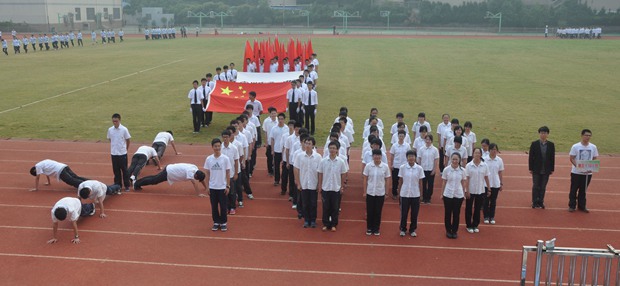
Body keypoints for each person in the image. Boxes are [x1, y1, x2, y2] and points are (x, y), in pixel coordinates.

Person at [204, 138, 232, 232]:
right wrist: (207, 187)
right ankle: (216, 222)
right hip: (213, 187)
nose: (217, 148)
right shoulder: (209, 159)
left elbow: (228, 173)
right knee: (214, 206)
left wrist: (228, 186)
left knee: (223, 206)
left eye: (219, 146)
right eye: (215, 146)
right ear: (212, 147)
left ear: (221, 147)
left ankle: (223, 222)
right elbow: (207, 173)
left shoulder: (225, 159)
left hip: (222, 187)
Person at [294, 136, 322, 228]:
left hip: (314, 184)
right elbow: (296, 169)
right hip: (304, 183)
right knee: (305, 203)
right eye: (306, 143)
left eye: (309, 143)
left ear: (313, 145)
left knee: (313, 203)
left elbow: (320, 172)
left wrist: (319, 184)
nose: (307, 145)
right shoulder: (299, 156)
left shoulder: (318, 157)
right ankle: (306, 220)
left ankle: (313, 220)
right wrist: (298, 183)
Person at [568, 129, 598, 213]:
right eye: (586, 135)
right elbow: (572, 158)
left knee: (583, 190)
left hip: (587, 173)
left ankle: (582, 206)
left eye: (589, 135)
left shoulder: (593, 147)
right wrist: (578, 167)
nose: (588, 137)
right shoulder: (575, 146)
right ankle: (572, 205)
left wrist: (590, 166)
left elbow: (595, 158)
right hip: (576, 172)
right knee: (574, 189)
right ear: (582, 136)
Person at [363, 149, 390, 236]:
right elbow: (365, 179)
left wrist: (386, 192)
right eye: (375, 155)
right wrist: (364, 191)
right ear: (373, 156)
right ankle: (369, 228)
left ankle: (376, 228)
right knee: (370, 211)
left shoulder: (385, 167)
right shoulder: (368, 166)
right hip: (370, 192)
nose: (377, 157)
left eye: (378, 155)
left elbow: (387, 179)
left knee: (378, 211)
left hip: (380, 192)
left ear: (381, 156)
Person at [398, 150, 425, 237]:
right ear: (407, 158)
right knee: (404, 213)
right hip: (404, 193)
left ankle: (412, 229)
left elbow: (421, 182)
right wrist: (399, 193)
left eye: (413, 156)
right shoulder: (402, 167)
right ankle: (403, 229)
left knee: (414, 213)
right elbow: (400, 181)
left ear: (415, 157)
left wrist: (421, 195)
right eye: (409, 156)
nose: (411, 158)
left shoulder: (419, 168)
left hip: (415, 194)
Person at [442, 152, 467, 239]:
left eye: (456, 159)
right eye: (453, 159)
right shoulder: (446, 170)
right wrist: (442, 194)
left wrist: (464, 194)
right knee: (448, 213)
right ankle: (448, 230)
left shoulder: (463, 171)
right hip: (448, 194)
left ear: (459, 160)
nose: (455, 161)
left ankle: (454, 230)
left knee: (456, 214)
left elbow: (463, 183)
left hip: (458, 195)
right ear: (450, 160)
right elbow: (444, 182)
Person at [528, 126, 555, 209]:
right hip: (536, 169)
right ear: (539, 134)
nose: (543, 134)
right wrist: (531, 168)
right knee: (536, 186)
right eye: (542, 133)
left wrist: (552, 169)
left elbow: (552, 157)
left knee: (543, 186)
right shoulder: (534, 144)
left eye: (545, 133)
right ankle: (534, 201)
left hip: (546, 169)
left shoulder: (551, 145)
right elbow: (531, 157)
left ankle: (541, 202)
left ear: (547, 134)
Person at [465, 148, 490, 234]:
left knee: (477, 208)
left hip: (480, 190)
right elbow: (467, 179)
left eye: (478, 153)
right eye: (475, 153)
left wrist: (489, 188)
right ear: (473, 154)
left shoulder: (484, 165)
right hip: (471, 190)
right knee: (468, 208)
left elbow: (486, 177)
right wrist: (466, 190)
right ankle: (468, 225)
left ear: (480, 155)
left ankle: (475, 224)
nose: (477, 154)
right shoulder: (468, 165)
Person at [107, 113, 131, 192]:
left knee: (124, 170)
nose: (114, 123)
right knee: (116, 170)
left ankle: (127, 185)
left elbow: (128, 140)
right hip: (114, 153)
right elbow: (110, 139)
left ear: (119, 120)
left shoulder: (124, 129)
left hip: (122, 153)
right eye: (113, 121)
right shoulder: (110, 130)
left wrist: (125, 149)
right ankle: (118, 185)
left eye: (116, 121)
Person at [483, 143, 504, 224]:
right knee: (486, 201)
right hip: (486, 184)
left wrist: (501, 183)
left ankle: (492, 216)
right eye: (492, 149)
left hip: (495, 183)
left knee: (493, 201)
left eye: (495, 149)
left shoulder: (499, 160)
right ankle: (486, 216)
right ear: (489, 150)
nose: (493, 151)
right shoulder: (484, 159)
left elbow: (500, 172)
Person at [220, 130, 240, 215]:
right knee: (223, 192)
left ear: (230, 137)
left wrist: (236, 173)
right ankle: (226, 207)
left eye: (227, 137)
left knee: (232, 191)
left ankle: (232, 207)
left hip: (231, 174)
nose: (225, 139)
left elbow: (236, 161)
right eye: (224, 137)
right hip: (222, 175)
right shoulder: (219, 147)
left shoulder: (234, 148)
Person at [417, 134, 439, 204]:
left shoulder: (435, 150)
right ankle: (423, 197)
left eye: (429, 140)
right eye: (426, 139)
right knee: (423, 184)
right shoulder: (421, 149)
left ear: (431, 141)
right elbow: (419, 159)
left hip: (430, 170)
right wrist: (419, 168)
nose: (427, 141)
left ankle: (428, 197)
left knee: (430, 184)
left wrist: (434, 169)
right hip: (423, 169)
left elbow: (436, 160)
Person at [389, 130, 411, 199]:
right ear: (398, 136)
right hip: (396, 165)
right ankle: (394, 193)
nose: (401, 137)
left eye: (402, 136)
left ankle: (403, 193)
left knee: (404, 180)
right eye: (400, 136)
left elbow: (409, 155)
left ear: (404, 137)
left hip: (404, 166)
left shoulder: (407, 145)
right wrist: (391, 164)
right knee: (395, 180)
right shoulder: (394, 145)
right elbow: (392, 155)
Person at [269, 113, 288, 186]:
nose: (280, 120)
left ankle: (283, 180)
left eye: (282, 119)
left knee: (284, 166)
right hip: (277, 149)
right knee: (276, 166)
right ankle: (276, 180)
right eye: (279, 119)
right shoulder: (274, 128)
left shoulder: (287, 129)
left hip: (284, 150)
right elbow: (272, 139)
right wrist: (272, 150)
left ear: (284, 119)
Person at [262, 107, 278, 176]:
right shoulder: (266, 121)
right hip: (269, 142)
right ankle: (270, 170)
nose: (273, 115)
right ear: (270, 114)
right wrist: (266, 142)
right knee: (269, 156)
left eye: (275, 113)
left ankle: (276, 169)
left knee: (277, 157)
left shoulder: (278, 120)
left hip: (277, 143)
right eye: (272, 113)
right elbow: (265, 132)